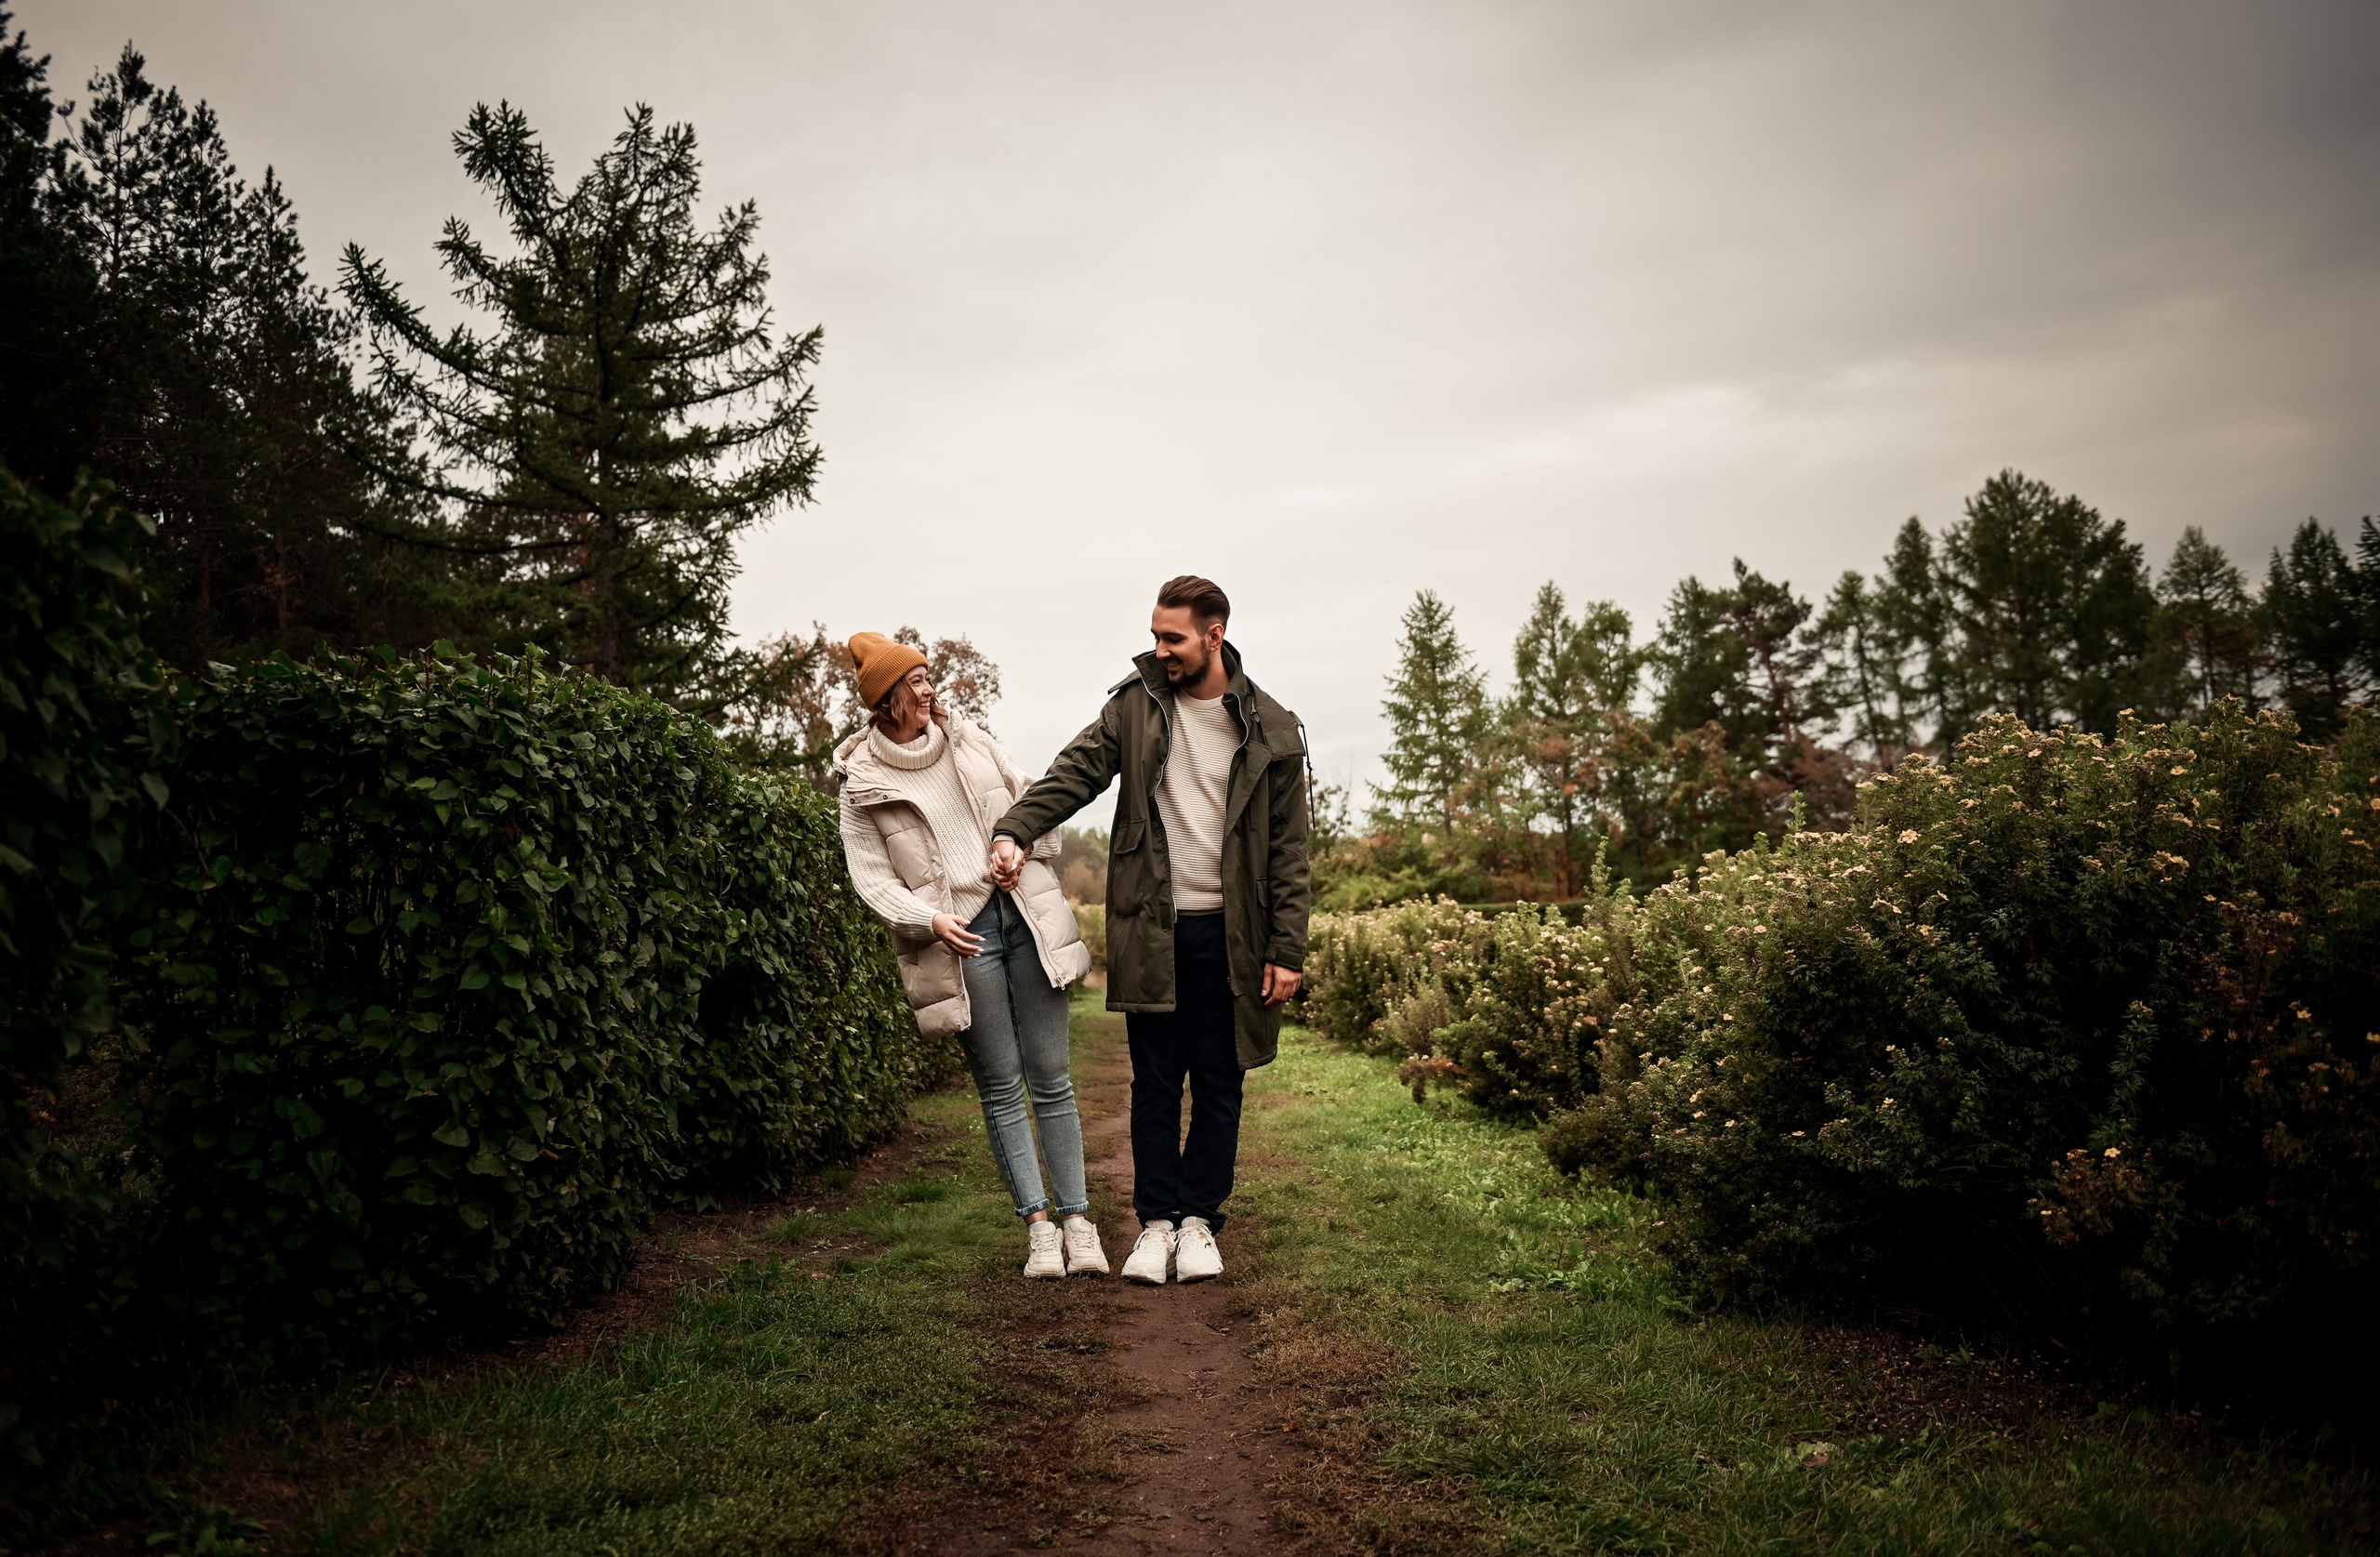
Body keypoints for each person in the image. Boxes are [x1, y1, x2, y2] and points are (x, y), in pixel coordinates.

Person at [988, 576, 1311, 1286]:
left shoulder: (1272, 727)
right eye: (1156, 634)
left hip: (1236, 938)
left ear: (1214, 635)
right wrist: (1016, 825)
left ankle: (1199, 1222)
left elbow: (1290, 851)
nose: (1159, 648)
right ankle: (1155, 1224)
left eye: (1175, 638)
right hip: (1152, 930)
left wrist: (1288, 947)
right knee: (1157, 1084)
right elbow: (1075, 771)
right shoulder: (1133, 709)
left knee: (1221, 1083)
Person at [835, 632, 1107, 1279]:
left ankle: (1079, 1221)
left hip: (1025, 915)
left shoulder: (972, 738)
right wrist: (927, 918)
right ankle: (1039, 1230)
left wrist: (1019, 845)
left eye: (929, 678)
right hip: (961, 938)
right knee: (1001, 1084)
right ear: (887, 699)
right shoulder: (860, 784)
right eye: (918, 681)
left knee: (1052, 1076)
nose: (930, 690)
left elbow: (1037, 801)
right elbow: (872, 880)